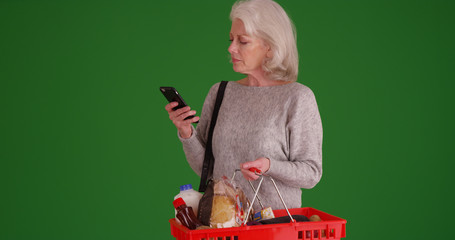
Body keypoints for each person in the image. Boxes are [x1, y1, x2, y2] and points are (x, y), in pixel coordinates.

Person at [164, 0, 322, 210]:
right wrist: (186, 132)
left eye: (243, 41)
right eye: (231, 39)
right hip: (223, 225)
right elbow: (206, 169)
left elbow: (311, 173)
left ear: (269, 47)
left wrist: (269, 166)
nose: (231, 48)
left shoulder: (297, 98)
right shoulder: (220, 93)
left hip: (274, 228)